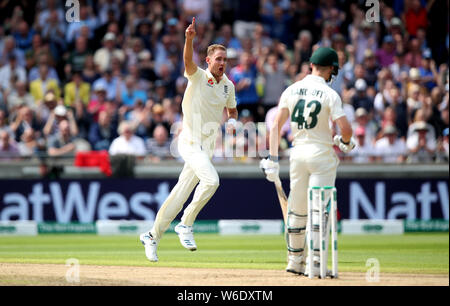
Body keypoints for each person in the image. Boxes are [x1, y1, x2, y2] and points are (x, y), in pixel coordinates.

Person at [140, 18, 238, 262]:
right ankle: (185, 223)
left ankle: (152, 236)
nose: (222, 63)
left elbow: (232, 110)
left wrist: (234, 123)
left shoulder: (228, 86)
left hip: (207, 147)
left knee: (180, 193)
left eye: (225, 60)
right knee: (212, 181)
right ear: (208, 61)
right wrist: (189, 39)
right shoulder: (198, 76)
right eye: (218, 59)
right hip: (189, 141)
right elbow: (186, 61)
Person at [260, 47, 355, 276]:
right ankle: (316, 262)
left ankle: (294, 261)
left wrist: (272, 159)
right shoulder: (330, 94)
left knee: (297, 208)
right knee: (320, 209)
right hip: (321, 154)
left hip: (298, 154)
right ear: (331, 69)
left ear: (311, 64)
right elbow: (346, 129)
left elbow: (274, 126)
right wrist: (344, 142)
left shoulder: (291, 90)